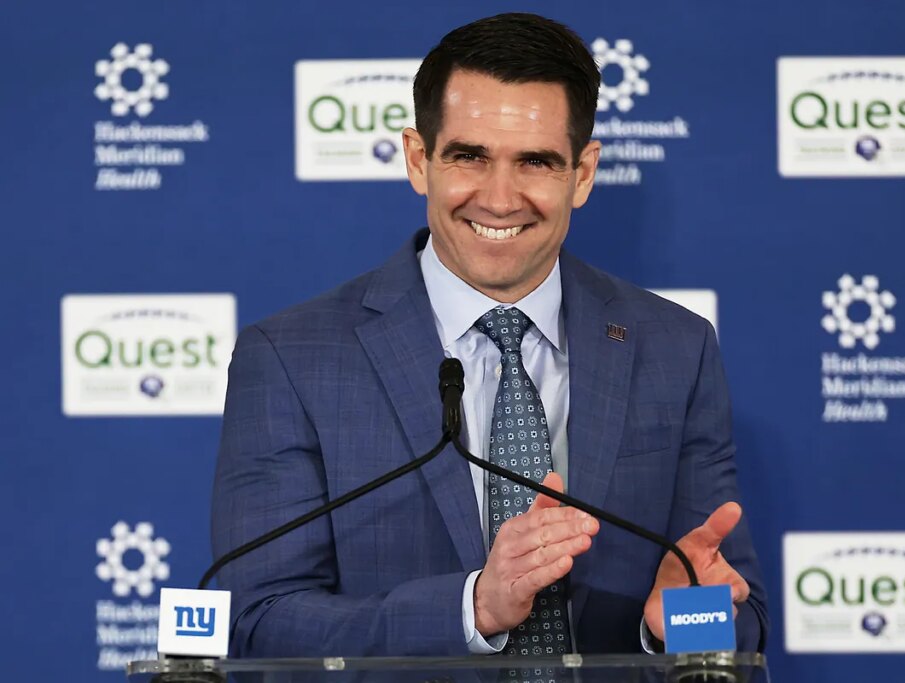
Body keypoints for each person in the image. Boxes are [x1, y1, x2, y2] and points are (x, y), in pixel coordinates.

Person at [211, 12, 767, 657]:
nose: (501, 199)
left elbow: (739, 624)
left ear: (583, 174)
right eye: (470, 156)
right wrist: (471, 608)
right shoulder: (292, 359)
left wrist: (682, 624)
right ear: (418, 160)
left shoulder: (676, 348)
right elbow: (258, 622)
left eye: (536, 162)